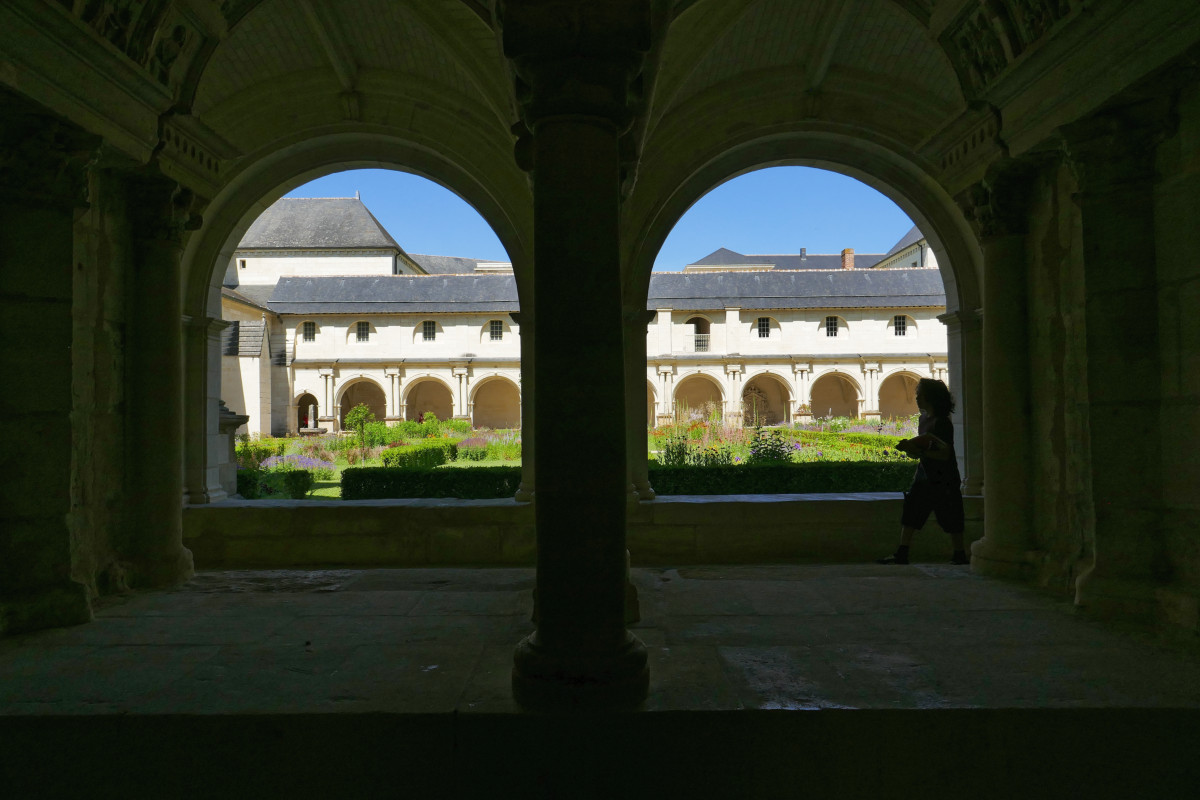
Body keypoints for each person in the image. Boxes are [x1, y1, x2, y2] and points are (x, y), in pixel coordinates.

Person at [877, 378, 968, 565]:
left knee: (951, 515)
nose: (916, 398)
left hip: (944, 477)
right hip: (925, 474)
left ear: (929, 397)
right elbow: (928, 448)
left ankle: (959, 554)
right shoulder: (923, 419)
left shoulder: (942, 422)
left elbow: (944, 455)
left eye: (919, 395)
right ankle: (902, 553)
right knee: (911, 512)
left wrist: (920, 451)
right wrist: (912, 449)